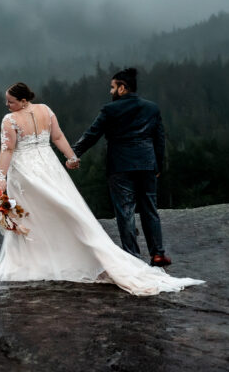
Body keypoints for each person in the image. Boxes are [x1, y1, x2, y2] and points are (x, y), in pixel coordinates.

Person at [0, 82, 202, 296]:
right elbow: (57, 137)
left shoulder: (9, 120)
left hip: (26, 171)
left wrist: (1, 176)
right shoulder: (46, 110)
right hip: (50, 167)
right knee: (59, 209)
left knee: (31, 214)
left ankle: (35, 258)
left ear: (24, 100)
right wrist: (71, 157)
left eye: (11, 101)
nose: (6, 104)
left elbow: (8, 149)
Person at [69, 68, 170, 266]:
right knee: (150, 209)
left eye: (113, 87)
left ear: (123, 88)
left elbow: (92, 135)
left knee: (125, 212)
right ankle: (157, 254)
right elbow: (159, 139)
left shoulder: (110, 110)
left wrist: (72, 154)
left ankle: (133, 258)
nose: (110, 91)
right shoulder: (152, 108)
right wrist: (157, 164)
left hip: (120, 166)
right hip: (147, 164)